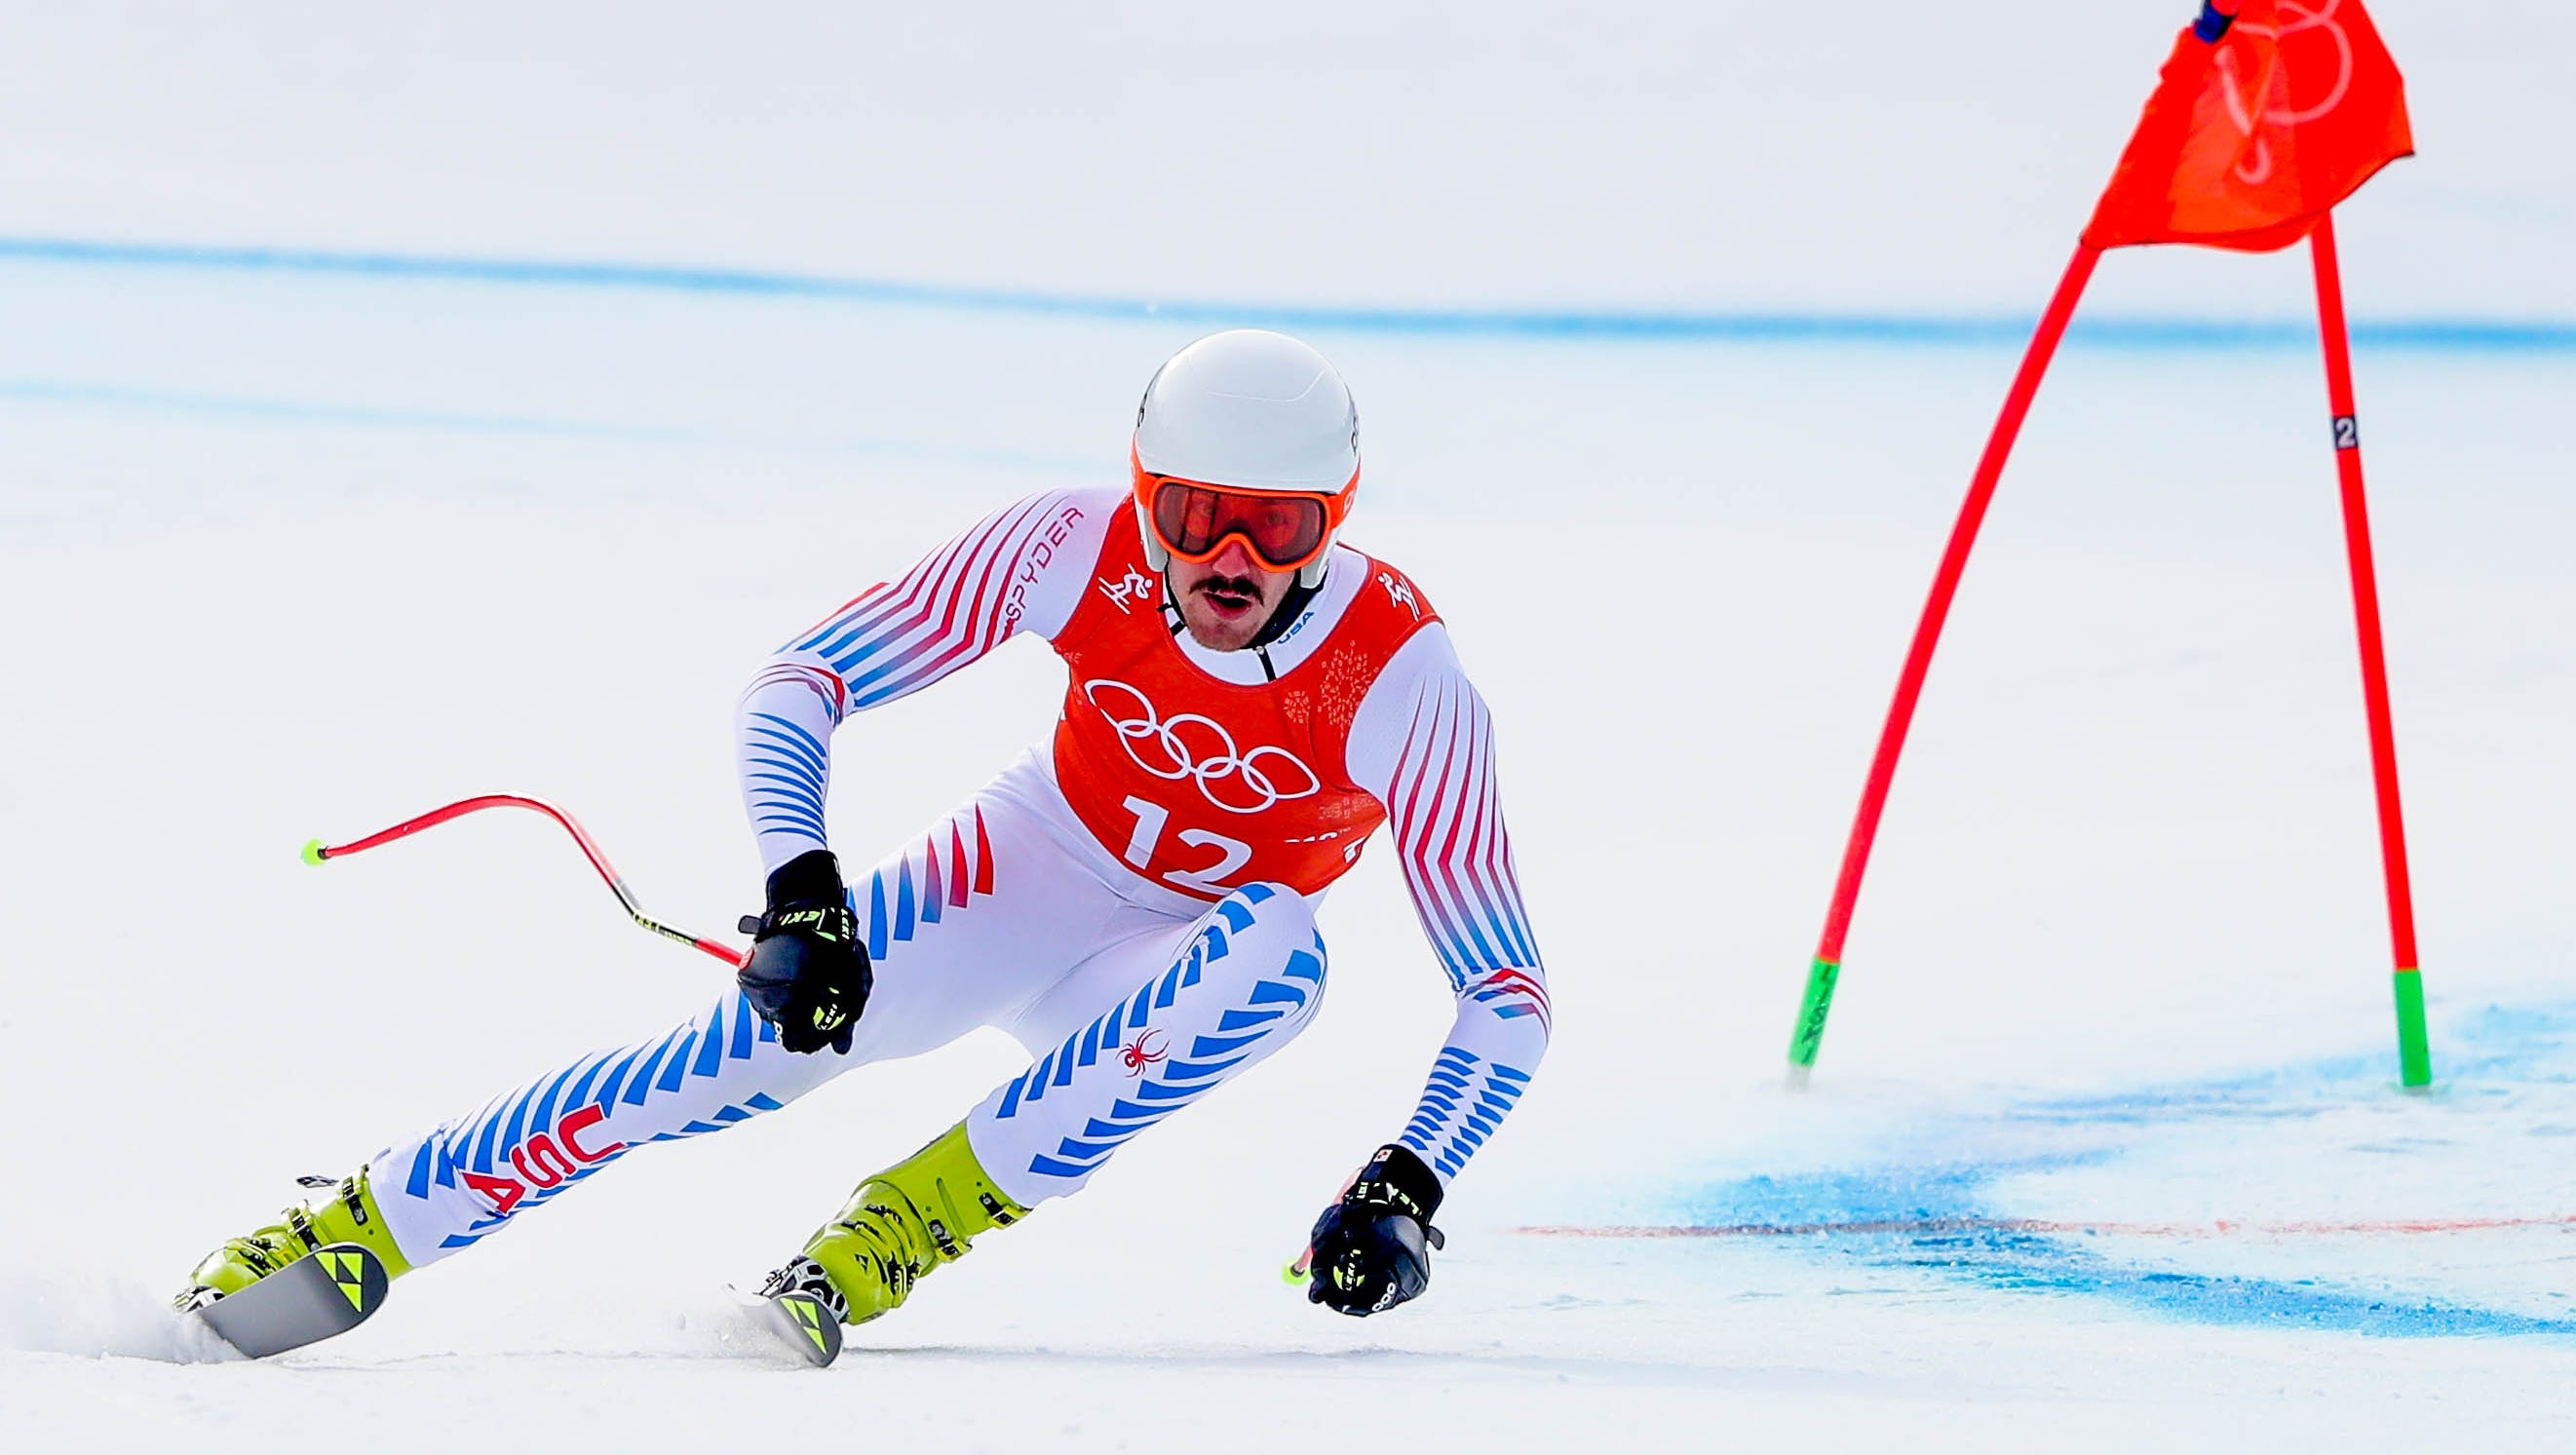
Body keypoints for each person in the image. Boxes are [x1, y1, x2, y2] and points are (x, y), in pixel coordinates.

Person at [174, 328, 1551, 1334]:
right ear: (1144, 492)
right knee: (731, 1064)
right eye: (1193, 512)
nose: (1227, 559)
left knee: (1286, 948)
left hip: (1177, 972)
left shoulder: (1401, 679)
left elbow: (1506, 991)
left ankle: (899, 1226)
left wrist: (1408, 1176)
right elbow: (801, 682)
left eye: (1274, 523)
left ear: (1334, 524)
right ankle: (367, 1222)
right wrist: (804, 889)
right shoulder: (1072, 545)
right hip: (1032, 868)